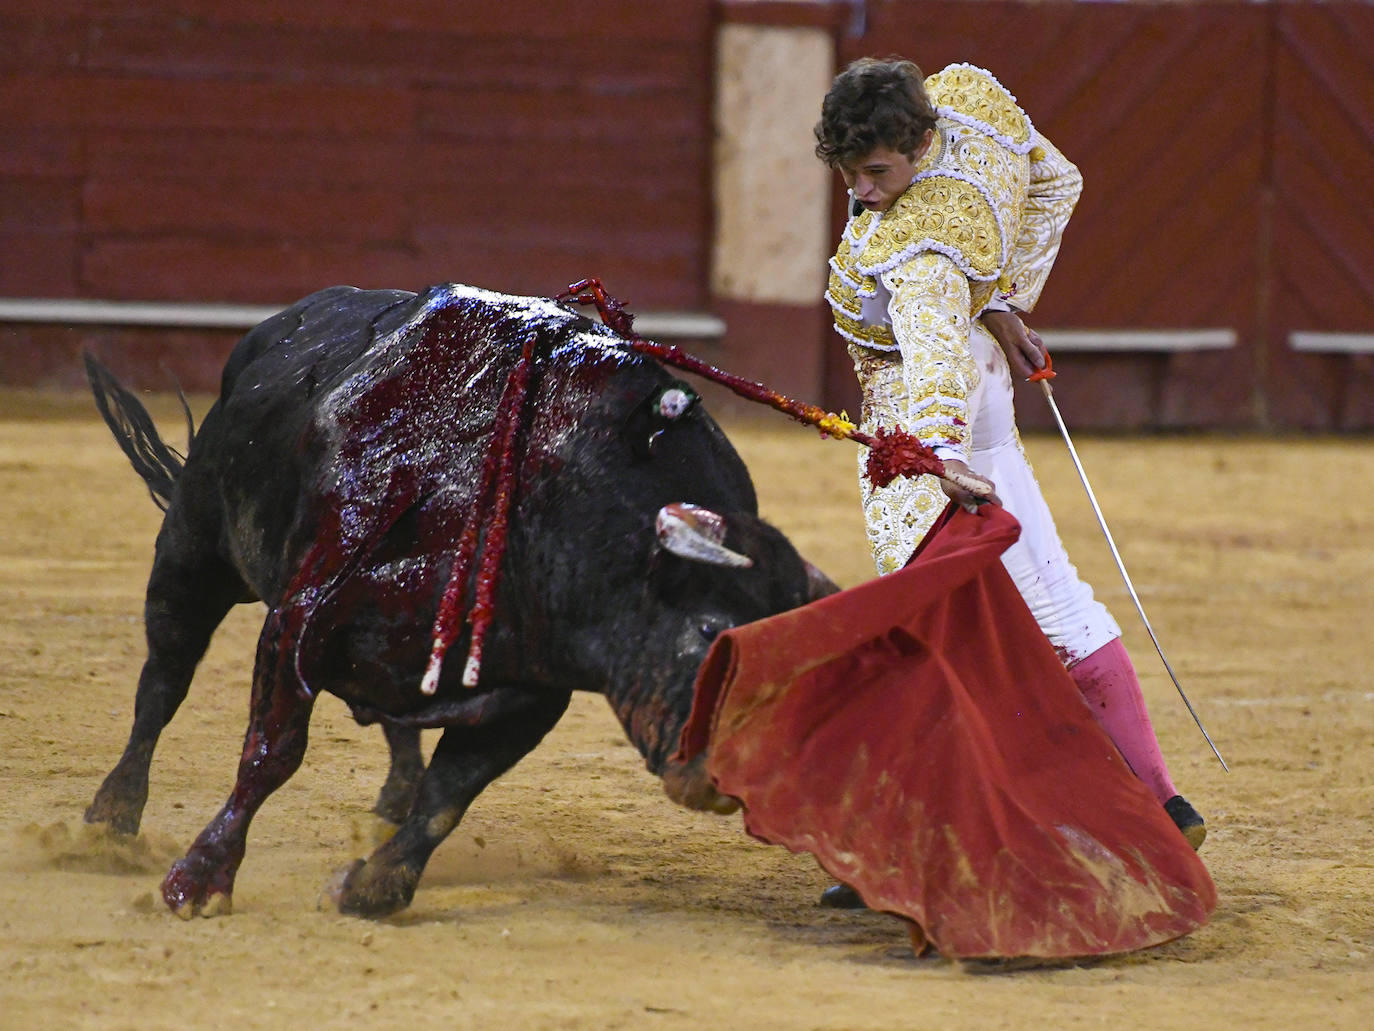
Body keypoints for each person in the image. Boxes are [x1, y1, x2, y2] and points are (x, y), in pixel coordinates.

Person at [813, 58, 1204, 908]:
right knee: (1052, 597)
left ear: (917, 142)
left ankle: (915, 841)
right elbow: (1058, 181)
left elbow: (930, 360)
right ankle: (1162, 799)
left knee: (929, 623)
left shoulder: (913, 244)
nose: (866, 194)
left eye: (876, 172)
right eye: (850, 176)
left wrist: (933, 454)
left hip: (925, 422)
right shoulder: (971, 103)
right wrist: (1006, 300)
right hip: (988, 383)